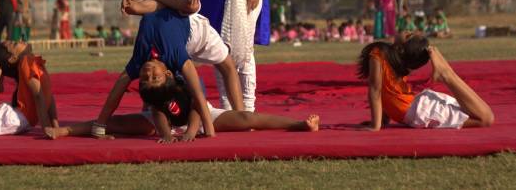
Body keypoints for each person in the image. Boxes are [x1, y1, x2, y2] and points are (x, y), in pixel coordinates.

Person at [90, 8, 244, 140]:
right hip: (187, 34)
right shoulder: (176, 55)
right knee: (225, 67)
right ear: (168, 74)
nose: (148, 73)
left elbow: (116, 92)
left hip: (197, 32)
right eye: (154, 77)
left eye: (144, 78)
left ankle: (239, 113)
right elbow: (198, 94)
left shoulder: (139, 61)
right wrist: (209, 130)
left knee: (227, 67)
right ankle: (239, 117)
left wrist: (100, 125)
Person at [45, 71, 320, 141]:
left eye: (153, 73)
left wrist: (190, 132)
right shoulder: (151, 90)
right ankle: (66, 130)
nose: (149, 76)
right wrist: (166, 134)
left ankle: (299, 124)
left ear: (167, 73)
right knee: (117, 124)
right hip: (161, 121)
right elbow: (157, 112)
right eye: (145, 76)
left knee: (247, 119)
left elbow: (197, 107)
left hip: (200, 114)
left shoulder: (181, 77)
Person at [357, 35, 494, 130]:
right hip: (421, 106)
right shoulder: (392, 61)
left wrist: (375, 125)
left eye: (408, 35)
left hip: (420, 110)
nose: (405, 30)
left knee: (485, 118)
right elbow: (386, 93)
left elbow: (375, 90)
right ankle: (444, 69)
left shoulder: (379, 53)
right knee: (480, 115)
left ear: (401, 48)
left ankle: (446, 74)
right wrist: (382, 120)